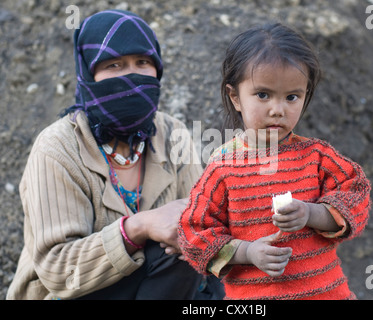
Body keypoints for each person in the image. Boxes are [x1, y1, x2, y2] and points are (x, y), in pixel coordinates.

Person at [7, 9, 223, 300]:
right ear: (88, 74)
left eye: (142, 63)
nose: (131, 76)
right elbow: (59, 271)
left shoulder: (173, 134)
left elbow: (201, 224)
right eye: (114, 65)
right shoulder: (57, 148)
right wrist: (139, 227)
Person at [178, 23, 371, 300]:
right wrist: (247, 252)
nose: (277, 110)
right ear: (236, 97)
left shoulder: (317, 157)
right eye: (263, 94)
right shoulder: (223, 167)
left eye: (292, 97)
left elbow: (357, 193)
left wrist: (311, 213)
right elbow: (194, 232)